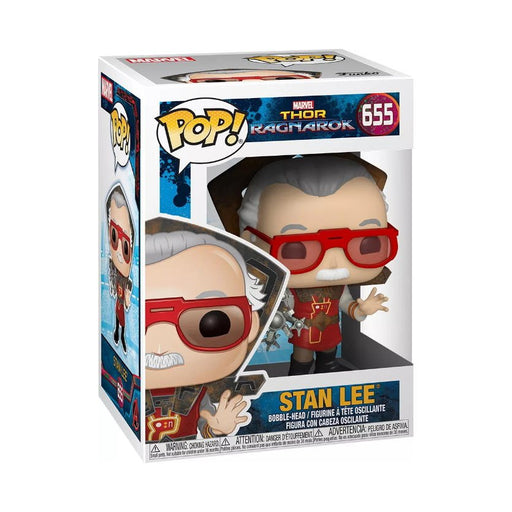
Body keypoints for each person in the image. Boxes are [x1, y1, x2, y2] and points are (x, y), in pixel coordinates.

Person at [238, 155, 398, 375]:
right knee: (302, 359)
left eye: (366, 245)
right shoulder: (290, 289)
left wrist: (361, 309)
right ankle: (298, 381)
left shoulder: (339, 288)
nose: (333, 262)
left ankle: (327, 375)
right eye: (297, 249)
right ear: (251, 242)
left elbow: (346, 304)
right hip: (304, 331)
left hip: (330, 330)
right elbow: (278, 307)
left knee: (329, 356)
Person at [145, 229, 265, 442]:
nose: (161, 348)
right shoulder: (130, 387)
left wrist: (218, 429)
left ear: (251, 325)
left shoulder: (197, 394)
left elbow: (206, 426)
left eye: (209, 323)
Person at [106, 185, 134, 355]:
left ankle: (121, 336)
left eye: (125, 247)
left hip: (121, 305)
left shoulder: (126, 281)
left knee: (122, 321)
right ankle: (118, 334)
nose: (119, 254)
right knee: (118, 320)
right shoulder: (115, 273)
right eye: (114, 236)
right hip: (118, 304)